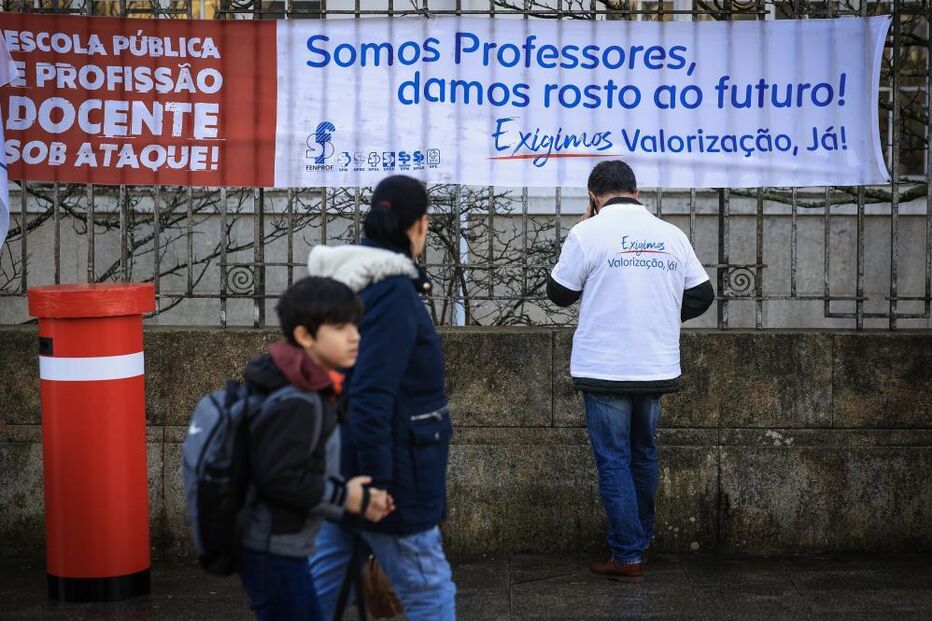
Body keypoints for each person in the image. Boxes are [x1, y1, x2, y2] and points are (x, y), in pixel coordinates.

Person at [547, 160, 714, 582]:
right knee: (642, 453)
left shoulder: (588, 232)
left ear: (593, 195)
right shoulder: (670, 234)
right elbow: (702, 295)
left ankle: (627, 554)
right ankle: (639, 542)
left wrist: (587, 225)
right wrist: (655, 315)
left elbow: (559, 294)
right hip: (655, 364)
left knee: (613, 459)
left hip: (606, 367)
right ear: (636, 193)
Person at [307, 175, 457, 620]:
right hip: (391, 474)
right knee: (430, 592)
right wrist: (374, 486)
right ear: (419, 225)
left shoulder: (347, 282)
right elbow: (371, 394)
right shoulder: (391, 290)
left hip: (343, 464)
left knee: (319, 592)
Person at [238, 276, 395, 620]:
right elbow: (279, 477)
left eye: (355, 324)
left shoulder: (311, 386)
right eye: (340, 327)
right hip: (276, 549)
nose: (354, 335)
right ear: (304, 336)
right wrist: (345, 496)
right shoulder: (298, 400)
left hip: (284, 544)